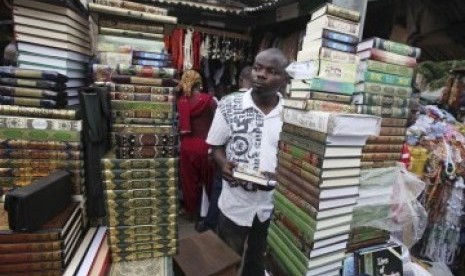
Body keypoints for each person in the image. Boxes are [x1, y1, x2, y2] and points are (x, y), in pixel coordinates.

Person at [206, 48, 289, 276]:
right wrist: (223, 164)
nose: (261, 75)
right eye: (257, 68)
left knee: (257, 262)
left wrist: (283, 176)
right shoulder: (229, 104)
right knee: (226, 260)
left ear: (284, 79)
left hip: (271, 204)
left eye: (271, 71)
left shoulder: (291, 113)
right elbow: (216, 146)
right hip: (236, 202)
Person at [201, 65, 254, 232]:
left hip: (226, 157)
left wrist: (214, 155)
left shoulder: (226, 100)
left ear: (240, 80)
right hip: (248, 162)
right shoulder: (263, 102)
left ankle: (210, 224)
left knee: (220, 189)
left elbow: (217, 135)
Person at [177, 70, 217, 224]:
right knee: (210, 181)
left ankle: (191, 212)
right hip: (206, 146)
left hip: (187, 146)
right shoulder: (209, 100)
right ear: (199, 83)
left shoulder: (181, 102)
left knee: (189, 182)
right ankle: (211, 216)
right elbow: (217, 122)